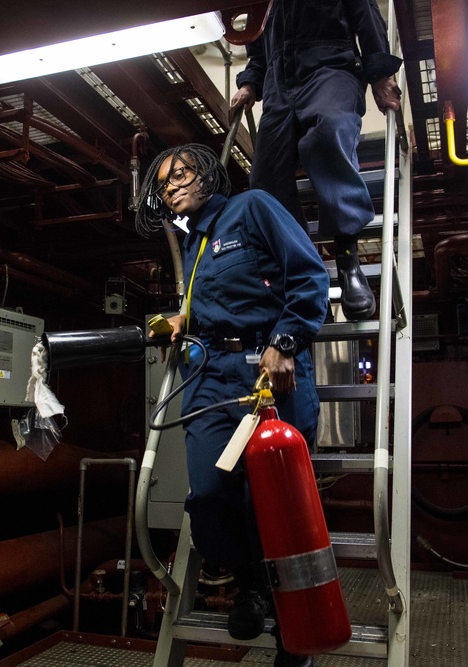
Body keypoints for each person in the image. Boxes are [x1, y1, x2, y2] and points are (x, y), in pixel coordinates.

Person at [135, 143, 328, 667]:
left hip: (269, 370)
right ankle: (250, 582)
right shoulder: (192, 242)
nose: (170, 185)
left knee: (273, 498)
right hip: (211, 376)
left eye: (181, 174)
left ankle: (293, 634)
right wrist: (182, 320)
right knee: (210, 493)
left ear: (209, 174)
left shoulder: (253, 207)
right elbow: (212, 304)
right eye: (163, 182)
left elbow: (309, 275)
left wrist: (286, 342)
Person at [229, 0, 403, 321]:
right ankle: (304, 270)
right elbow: (256, 45)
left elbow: (366, 16)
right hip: (277, 82)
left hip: (331, 67)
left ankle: (348, 259)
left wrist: (380, 74)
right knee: (264, 181)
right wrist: (249, 83)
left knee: (327, 133)